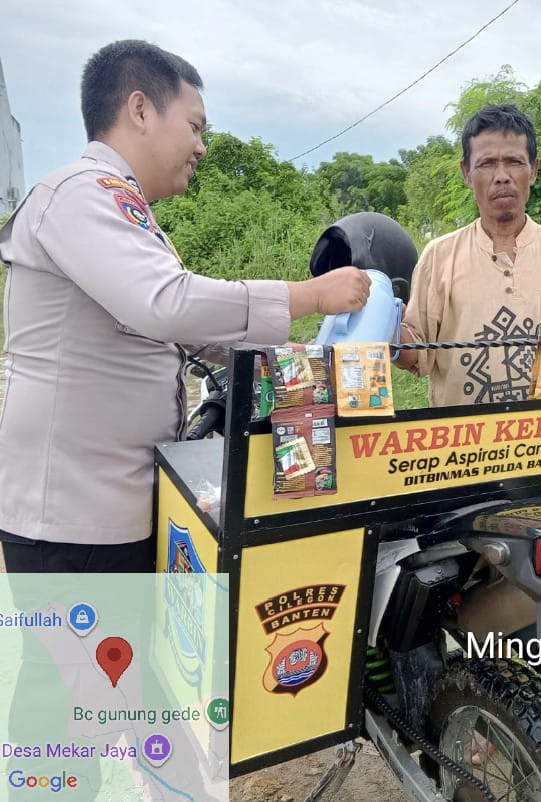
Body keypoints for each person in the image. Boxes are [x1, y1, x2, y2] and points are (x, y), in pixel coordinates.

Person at [0, 40, 372, 573]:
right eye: (195, 127)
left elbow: (185, 332)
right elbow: (167, 303)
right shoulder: (80, 193)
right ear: (140, 110)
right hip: (72, 516)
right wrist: (310, 295)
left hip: (112, 504)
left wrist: (301, 360)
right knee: (89, 634)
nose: (201, 148)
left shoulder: (122, 210)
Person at [397, 104, 541, 406]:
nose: (502, 177)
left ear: (533, 170)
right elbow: (415, 353)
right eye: (487, 164)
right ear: (467, 173)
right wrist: (381, 321)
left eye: (514, 162)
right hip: (463, 435)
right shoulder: (439, 257)